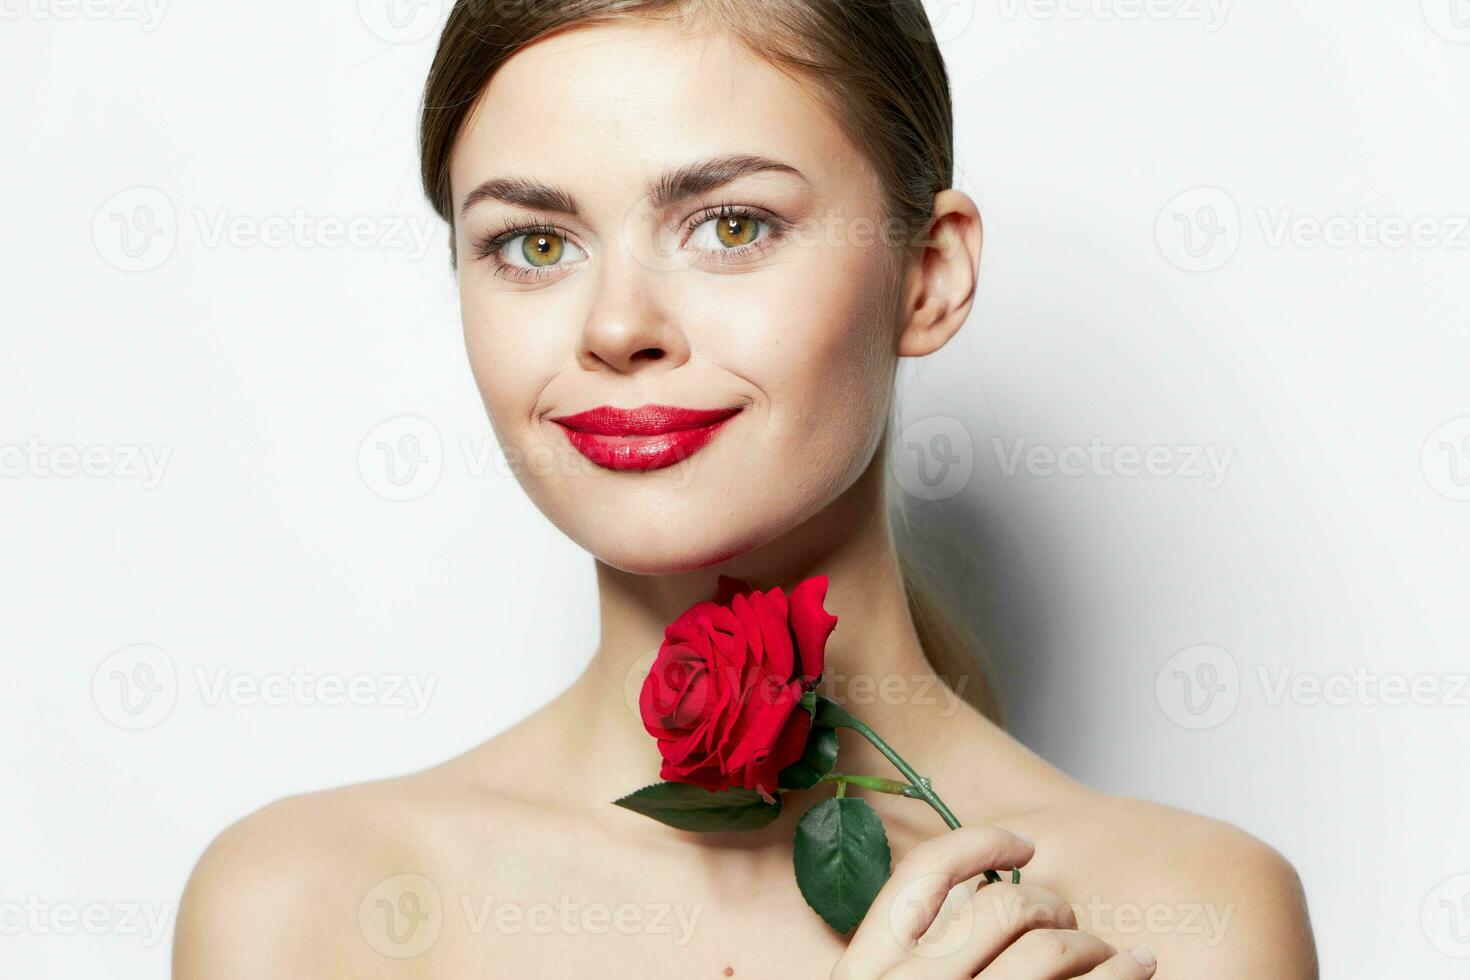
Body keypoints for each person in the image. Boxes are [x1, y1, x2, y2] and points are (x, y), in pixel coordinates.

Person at [174, 2, 1318, 975]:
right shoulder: (305, 912)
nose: (618, 325)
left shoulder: (1189, 916)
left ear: (929, 275)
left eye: (729, 225)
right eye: (532, 243)